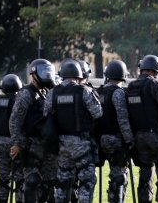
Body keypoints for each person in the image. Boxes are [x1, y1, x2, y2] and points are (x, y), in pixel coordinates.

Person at [45, 59, 102, 202]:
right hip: (80, 143)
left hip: (61, 144)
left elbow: (46, 114)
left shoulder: (53, 92)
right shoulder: (83, 91)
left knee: (63, 182)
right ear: (78, 75)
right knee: (86, 180)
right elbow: (98, 112)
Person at [125, 55, 158, 203]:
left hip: (140, 138)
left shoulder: (131, 87)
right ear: (156, 70)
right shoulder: (156, 85)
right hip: (157, 136)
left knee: (145, 173)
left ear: (142, 69)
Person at [10, 58, 58, 202]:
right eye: (44, 72)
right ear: (33, 74)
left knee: (49, 184)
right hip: (30, 147)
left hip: (47, 147)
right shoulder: (26, 94)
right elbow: (14, 121)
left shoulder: (48, 93)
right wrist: (17, 143)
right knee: (31, 182)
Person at [94, 60, 133, 203]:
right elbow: (123, 120)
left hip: (98, 141)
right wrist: (130, 140)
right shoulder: (119, 93)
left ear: (107, 75)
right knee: (119, 176)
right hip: (115, 141)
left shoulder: (98, 92)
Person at [0, 74, 24, 203]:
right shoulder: (20, 101)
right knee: (19, 178)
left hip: (0, 141)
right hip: (15, 142)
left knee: (3, 178)